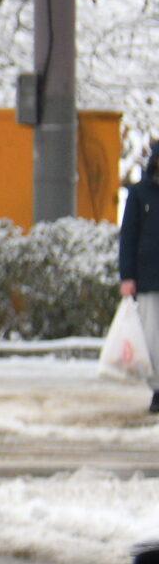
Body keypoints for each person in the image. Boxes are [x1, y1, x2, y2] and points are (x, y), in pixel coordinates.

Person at [122, 139, 159, 414]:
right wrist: (127, 276)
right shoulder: (140, 194)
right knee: (151, 338)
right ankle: (157, 388)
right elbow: (129, 237)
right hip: (149, 278)